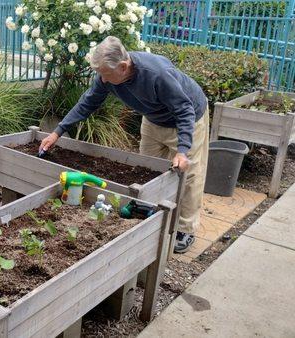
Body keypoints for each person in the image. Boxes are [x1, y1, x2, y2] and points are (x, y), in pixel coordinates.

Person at [39, 36, 209, 253]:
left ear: (123, 66)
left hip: (187, 117)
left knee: (188, 175)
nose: (103, 80)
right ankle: (148, 212)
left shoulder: (156, 74)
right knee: (147, 169)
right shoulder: (107, 77)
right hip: (153, 118)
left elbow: (184, 109)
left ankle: (185, 229)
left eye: (106, 74)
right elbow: (88, 102)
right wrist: (57, 132)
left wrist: (183, 150)